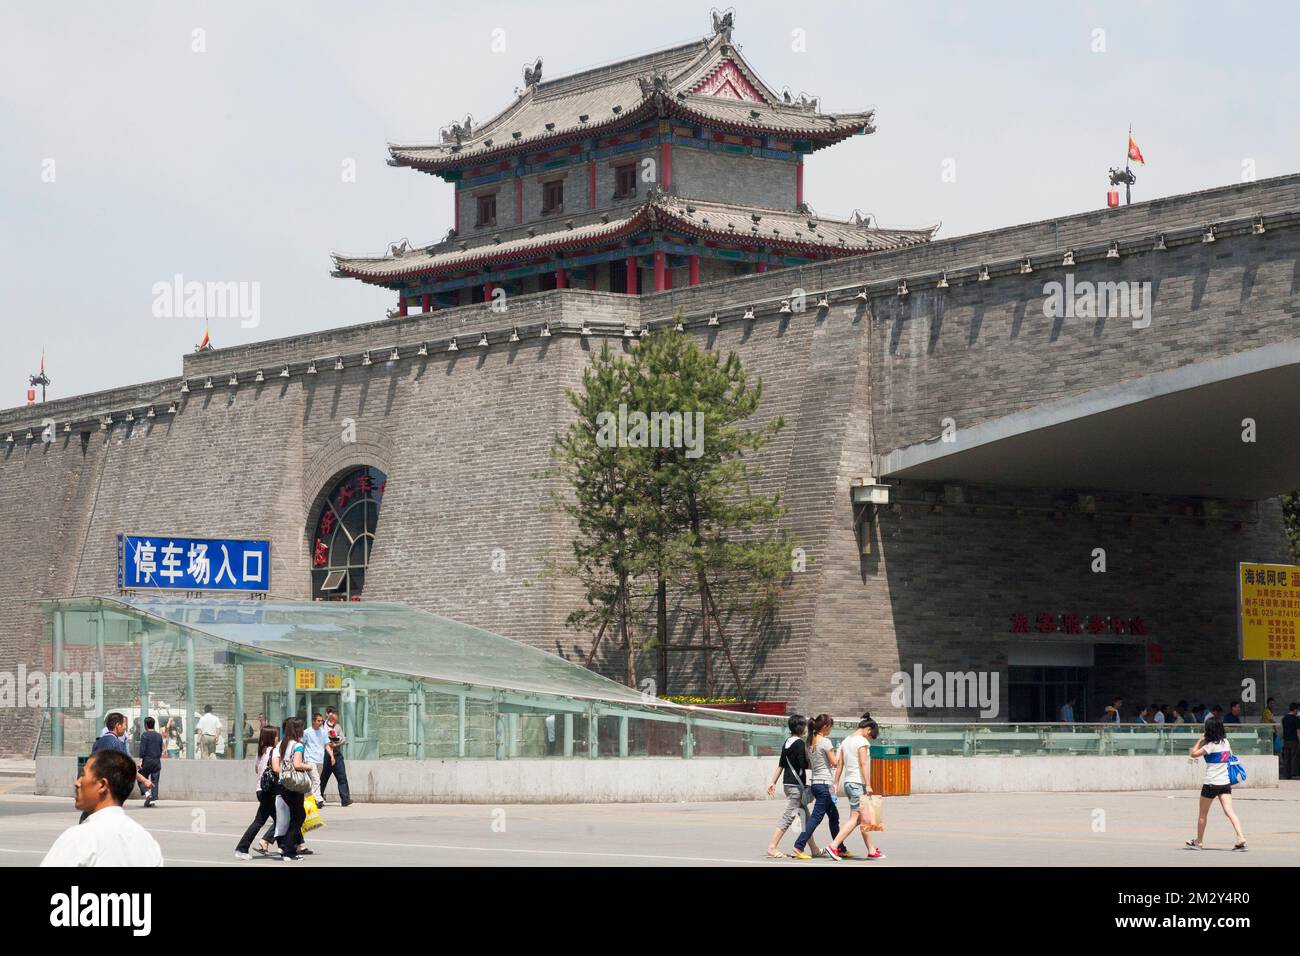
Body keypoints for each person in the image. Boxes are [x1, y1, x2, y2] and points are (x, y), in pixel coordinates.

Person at [41, 749, 163, 866]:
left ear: (102, 785)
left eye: (83, 775)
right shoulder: (147, 843)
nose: (77, 783)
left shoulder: (78, 838)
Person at [824, 716, 885, 861]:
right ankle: (834, 845)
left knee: (864, 818)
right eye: (870, 735)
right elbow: (864, 764)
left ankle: (871, 850)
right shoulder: (861, 742)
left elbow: (840, 765)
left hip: (848, 783)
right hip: (857, 783)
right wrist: (868, 784)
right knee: (856, 817)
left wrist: (836, 783)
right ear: (868, 729)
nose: (869, 738)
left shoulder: (846, 740)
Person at [1186, 717, 1246, 851]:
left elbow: (1193, 754)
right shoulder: (1226, 742)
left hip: (1211, 783)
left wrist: (1199, 740)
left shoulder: (1209, 746)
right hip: (1225, 783)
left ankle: (1199, 841)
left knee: (1203, 814)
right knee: (1229, 811)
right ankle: (1240, 837)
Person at [82, 712, 155, 823]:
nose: (125, 728)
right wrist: (144, 781)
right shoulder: (116, 744)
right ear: (117, 725)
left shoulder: (98, 743)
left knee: (89, 818)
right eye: (124, 725)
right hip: (108, 792)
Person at [764, 714, 820, 859]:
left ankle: (814, 849)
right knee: (788, 817)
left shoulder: (787, 742)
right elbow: (803, 764)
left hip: (788, 783)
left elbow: (781, 764)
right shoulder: (800, 744)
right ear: (801, 728)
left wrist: (773, 782)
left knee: (806, 819)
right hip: (796, 786)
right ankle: (772, 847)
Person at [790, 714, 840, 860]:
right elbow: (835, 762)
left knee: (833, 816)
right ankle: (798, 846)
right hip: (824, 785)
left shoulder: (810, 742)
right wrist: (839, 752)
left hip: (817, 784)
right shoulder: (825, 742)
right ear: (825, 727)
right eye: (830, 727)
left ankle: (839, 847)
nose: (831, 730)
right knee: (816, 818)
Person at [235, 726, 281, 859]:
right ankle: (241, 848)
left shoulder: (261, 752)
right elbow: (276, 769)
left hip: (261, 789)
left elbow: (257, 769)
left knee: (280, 820)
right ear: (271, 737)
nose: (278, 738)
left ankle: (285, 848)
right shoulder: (274, 751)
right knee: (260, 821)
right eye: (276, 736)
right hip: (269, 791)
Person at [271, 718, 310, 861]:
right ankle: (288, 850)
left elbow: (277, 765)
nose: (303, 731)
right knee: (298, 816)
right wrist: (309, 766)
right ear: (297, 730)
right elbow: (298, 764)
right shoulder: (298, 745)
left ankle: (287, 847)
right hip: (294, 785)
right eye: (302, 728)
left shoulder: (281, 744)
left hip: (282, 784)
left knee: (293, 817)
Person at [319, 706, 352, 806]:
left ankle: (345, 799)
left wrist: (336, 744)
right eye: (330, 712)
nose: (332, 715)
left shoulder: (337, 726)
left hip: (337, 755)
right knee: (322, 778)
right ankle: (318, 799)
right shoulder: (322, 726)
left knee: (342, 777)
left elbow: (343, 738)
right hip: (325, 756)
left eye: (334, 713)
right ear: (327, 714)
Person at [138, 716, 164, 807]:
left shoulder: (145, 735)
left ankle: (147, 794)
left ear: (145, 725)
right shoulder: (159, 736)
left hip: (147, 761)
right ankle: (153, 800)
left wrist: (140, 761)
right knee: (155, 780)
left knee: (140, 778)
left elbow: (142, 749)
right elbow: (161, 749)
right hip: (156, 762)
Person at [303, 712, 328, 804]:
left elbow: (327, 745)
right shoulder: (307, 732)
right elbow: (302, 744)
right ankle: (318, 799)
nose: (320, 722)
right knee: (316, 779)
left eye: (321, 721)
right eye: (318, 721)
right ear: (313, 721)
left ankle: (308, 797)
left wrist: (332, 756)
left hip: (320, 759)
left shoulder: (323, 732)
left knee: (313, 780)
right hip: (309, 759)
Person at [1281, 702, 1300, 780]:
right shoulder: (1296, 719)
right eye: (1297, 710)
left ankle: (1286, 775)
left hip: (1286, 741)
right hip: (1294, 741)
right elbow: (1298, 732)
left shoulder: (1284, 718)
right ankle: (1294, 774)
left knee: (1287, 759)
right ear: (1295, 709)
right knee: (1294, 758)